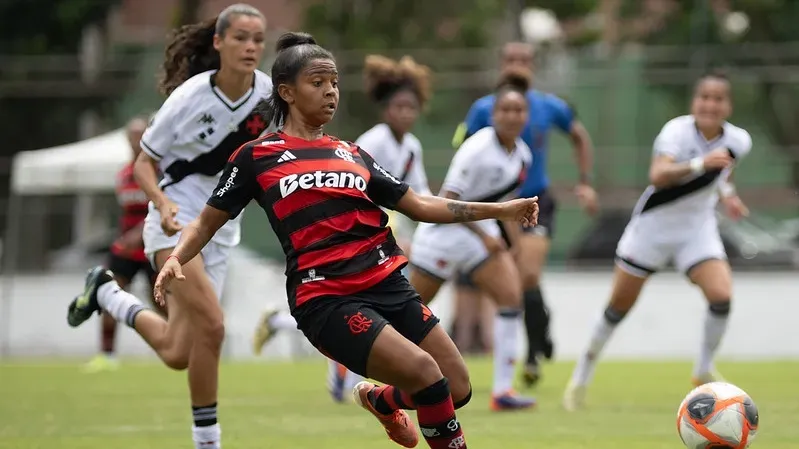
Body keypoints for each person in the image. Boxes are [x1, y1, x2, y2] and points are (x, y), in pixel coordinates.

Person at [154, 32, 539, 449]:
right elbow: (207, 221)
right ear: (286, 92)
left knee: (457, 387)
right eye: (317, 82)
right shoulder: (256, 157)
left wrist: (500, 210)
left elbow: (421, 206)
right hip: (328, 297)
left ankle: (379, 398)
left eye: (334, 82)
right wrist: (178, 256)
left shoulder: (351, 152)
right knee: (428, 376)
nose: (330, 92)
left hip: (388, 285)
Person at [66, 5, 271, 449]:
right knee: (214, 327)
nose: (250, 46)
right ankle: (208, 443)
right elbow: (144, 162)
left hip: (219, 229)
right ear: (218, 42)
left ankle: (106, 294)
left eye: (257, 38)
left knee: (181, 352)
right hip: (174, 223)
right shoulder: (190, 97)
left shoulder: (268, 96)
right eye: (240, 37)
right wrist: (159, 204)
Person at [562, 71, 752, 411]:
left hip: (696, 229)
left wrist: (730, 195)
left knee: (721, 296)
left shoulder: (739, 140)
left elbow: (724, 173)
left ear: (728, 105)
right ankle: (581, 376)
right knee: (618, 307)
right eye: (704, 97)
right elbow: (658, 175)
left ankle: (703, 368)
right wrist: (698, 162)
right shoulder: (676, 132)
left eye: (718, 98)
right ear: (695, 102)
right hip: (652, 229)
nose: (710, 104)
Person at [451, 41, 598, 387]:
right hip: (492, 206)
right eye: (511, 58)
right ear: (501, 64)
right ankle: (532, 335)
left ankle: (533, 351)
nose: (517, 64)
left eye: (524, 59)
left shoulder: (548, 106)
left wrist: (585, 183)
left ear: (533, 66)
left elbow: (580, 136)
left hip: (534, 201)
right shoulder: (482, 109)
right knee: (510, 282)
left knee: (528, 273)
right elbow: (465, 151)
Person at [408, 69, 536, 411]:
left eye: (518, 110)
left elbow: (506, 201)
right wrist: (484, 233)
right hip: (442, 238)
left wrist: (515, 242)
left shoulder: (522, 155)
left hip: (483, 242)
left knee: (511, 299)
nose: (512, 116)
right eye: (505, 110)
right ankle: (371, 376)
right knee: (404, 312)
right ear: (494, 115)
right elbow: (447, 199)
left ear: (527, 115)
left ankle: (503, 392)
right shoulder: (475, 148)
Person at [324, 53, 433, 403]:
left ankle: (349, 373)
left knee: (374, 306)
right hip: (360, 229)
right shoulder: (374, 140)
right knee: (361, 305)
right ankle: (345, 371)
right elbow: (359, 191)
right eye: (399, 107)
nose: (405, 114)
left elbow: (420, 195)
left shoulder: (411, 146)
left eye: (411, 108)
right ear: (386, 110)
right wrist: (396, 236)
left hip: (388, 229)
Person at [84, 116, 166, 373]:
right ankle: (107, 355)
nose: (136, 141)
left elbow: (162, 207)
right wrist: (126, 236)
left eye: (141, 135)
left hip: (153, 246)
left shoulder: (160, 172)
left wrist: (139, 232)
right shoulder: (123, 174)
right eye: (132, 135)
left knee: (162, 303)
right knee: (110, 294)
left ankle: (178, 346)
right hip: (126, 250)